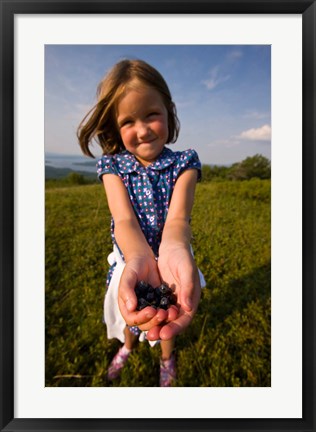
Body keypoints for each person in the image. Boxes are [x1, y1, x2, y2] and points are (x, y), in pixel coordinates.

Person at [77, 59, 205, 387]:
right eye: (129, 120)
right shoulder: (112, 166)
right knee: (132, 313)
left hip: (170, 259)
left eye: (152, 114)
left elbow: (178, 218)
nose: (144, 129)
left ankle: (166, 358)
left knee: (167, 313)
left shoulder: (184, 163)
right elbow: (123, 219)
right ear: (114, 128)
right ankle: (128, 347)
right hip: (131, 258)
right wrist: (138, 256)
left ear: (169, 112)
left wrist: (173, 247)